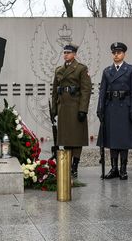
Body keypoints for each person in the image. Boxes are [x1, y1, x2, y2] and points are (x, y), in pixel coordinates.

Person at [97, 42, 132, 180]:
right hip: (111, 108)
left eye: (119, 52)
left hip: (125, 108)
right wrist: (100, 109)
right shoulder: (107, 71)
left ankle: (123, 169)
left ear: (124, 54)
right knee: (112, 140)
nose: (116, 55)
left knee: (123, 140)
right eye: (114, 53)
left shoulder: (131, 70)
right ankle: (114, 168)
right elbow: (102, 91)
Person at [51, 44, 92, 179]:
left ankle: (75, 165)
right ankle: (67, 163)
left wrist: (83, 109)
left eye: (68, 53)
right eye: (64, 52)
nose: (66, 55)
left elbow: (86, 91)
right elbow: (55, 92)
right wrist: (54, 109)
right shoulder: (59, 70)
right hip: (63, 107)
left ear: (74, 54)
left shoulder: (81, 69)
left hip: (75, 107)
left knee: (76, 139)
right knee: (66, 138)